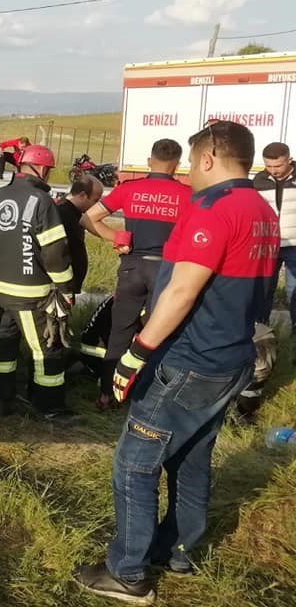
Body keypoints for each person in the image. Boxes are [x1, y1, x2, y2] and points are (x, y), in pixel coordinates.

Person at [73, 119, 280, 605]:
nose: (189, 172)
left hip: (191, 357)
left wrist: (136, 353)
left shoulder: (213, 208)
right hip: (233, 356)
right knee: (190, 460)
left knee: (134, 463)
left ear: (208, 157)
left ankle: (128, 573)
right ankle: (178, 552)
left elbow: (183, 290)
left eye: (192, 162)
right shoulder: (260, 208)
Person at [84, 138, 192, 409]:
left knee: (120, 331)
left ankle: (107, 394)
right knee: (159, 333)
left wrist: (117, 238)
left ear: (149, 161)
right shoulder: (188, 195)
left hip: (131, 267)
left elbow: (88, 218)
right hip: (165, 270)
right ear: (177, 165)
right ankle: (149, 396)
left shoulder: (130, 190)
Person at [0, 144, 75, 418]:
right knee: (47, 350)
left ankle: (1, 401)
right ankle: (49, 407)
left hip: (2, 292)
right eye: (49, 170)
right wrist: (66, 289)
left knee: (3, 346)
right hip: (33, 294)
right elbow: (55, 252)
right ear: (41, 168)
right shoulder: (41, 202)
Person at [253, 141, 296, 326]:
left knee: (293, 289)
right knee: (264, 288)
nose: (273, 170)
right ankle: (261, 329)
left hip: (294, 244)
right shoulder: (259, 181)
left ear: (290, 160)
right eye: (269, 166)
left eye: (278, 165)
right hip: (268, 244)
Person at [56, 174, 104, 295]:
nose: (96, 205)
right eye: (95, 200)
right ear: (82, 195)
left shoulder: (73, 213)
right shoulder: (62, 214)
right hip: (62, 287)